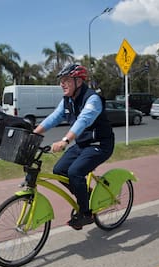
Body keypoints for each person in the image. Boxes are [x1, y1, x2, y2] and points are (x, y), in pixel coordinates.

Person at [33, 64, 114, 230]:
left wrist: (65, 140)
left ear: (78, 81)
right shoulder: (67, 100)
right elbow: (53, 118)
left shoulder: (92, 99)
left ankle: (86, 213)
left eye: (66, 80)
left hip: (100, 144)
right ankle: (86, 194)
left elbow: (83, 120)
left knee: (75, 172)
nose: (62, 84)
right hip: (83, 145)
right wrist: (34, 134)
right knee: (59, 170)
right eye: (61, 81)